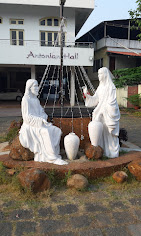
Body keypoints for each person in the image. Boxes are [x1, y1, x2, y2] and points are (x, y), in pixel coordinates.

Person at [19, 79, 68, 165]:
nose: (38, 88)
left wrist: (43, 118)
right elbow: (27, 117)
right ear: (29, 88)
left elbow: (41, 112)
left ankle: (53, 153)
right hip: (30, 125)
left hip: (40, 123)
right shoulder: (25, 99)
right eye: (35, 86)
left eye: (37, 86)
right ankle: (52, 158)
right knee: (45, 132)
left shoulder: (36, 100)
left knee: (57, 131)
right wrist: (40, 120)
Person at [83, 67, 120, 158]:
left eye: (101, 74)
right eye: (98, 74)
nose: (99, 76)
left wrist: (103, 110)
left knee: (108, 133)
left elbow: (112, 102)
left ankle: (111, 152)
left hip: (107, 113)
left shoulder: (111, 87)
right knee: (99, 130)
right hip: (100, 111)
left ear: (105, 75)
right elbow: (95, 99)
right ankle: (101, 149)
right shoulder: (100, 87)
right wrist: (87, 95)